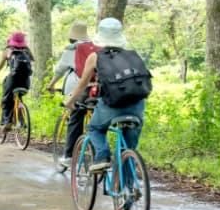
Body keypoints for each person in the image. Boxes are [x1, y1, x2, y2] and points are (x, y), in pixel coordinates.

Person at [63, 17, 146, 173]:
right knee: (126, 150)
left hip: (112, 104)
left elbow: (82, 84)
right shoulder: (134, 54)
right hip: (137, 105)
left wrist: (69, 101)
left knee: (94, 129)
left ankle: (102, 157)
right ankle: (127, 192)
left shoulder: (95, 57)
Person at [47, 21, 93, 168]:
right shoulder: (96, 48)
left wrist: (51, 84)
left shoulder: (72, 49)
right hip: (96, 90)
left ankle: (68, 156)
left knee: (75, 119)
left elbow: (60, 70)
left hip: (78, 89)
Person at [0, 31, 33, 128]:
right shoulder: (27, 51)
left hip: (13, 80)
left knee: (6, 99)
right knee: (18, 97)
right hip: (26, 82)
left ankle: (7, 122)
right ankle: (21, 121)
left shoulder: (8, 50)